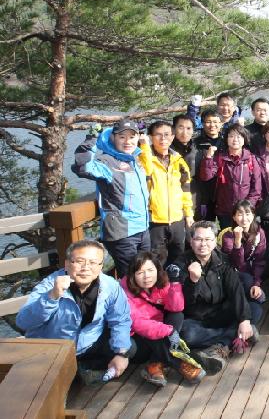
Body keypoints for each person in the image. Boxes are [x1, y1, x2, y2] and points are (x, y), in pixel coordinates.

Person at [17, 240, 134, 385]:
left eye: (93, 262)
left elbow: (120, 320)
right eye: (79, 261)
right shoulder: (50, 285)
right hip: (52, 351)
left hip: (87, 345)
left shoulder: (110, 286)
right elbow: (23, 322)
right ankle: (76, 373)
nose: (85, 268)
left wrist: (121, 354)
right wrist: (51, 297)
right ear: (67, 264)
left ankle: (80, 370)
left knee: (130, 347)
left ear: (101, 266)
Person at [175, 221, 255, 374]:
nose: (203, 244)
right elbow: (182, 303)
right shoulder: (180, 264)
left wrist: (244, 319)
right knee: (186, 335)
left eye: (208, 239)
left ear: (214, 241)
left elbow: (235, 289)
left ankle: (223, 343)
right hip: (196, 318)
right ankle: (232, 338)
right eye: (198, 239)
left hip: (220, 312)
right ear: (191, 241)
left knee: (254, 310)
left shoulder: (223, 260)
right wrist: (193, 281)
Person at [72, 118, 150, 275]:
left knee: (146, 273)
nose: (127, 141)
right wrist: (92, 138)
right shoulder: (107, 162)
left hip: (143, 228)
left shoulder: (134, 159)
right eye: (122, 137)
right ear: (113, 138)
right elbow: (82, 167)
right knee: (132, 278)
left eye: (132, 137)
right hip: (122, 233)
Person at [121, 252, 205, 386]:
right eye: (140, 272)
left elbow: (176, 307)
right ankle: (179, 363)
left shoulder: (162, 280)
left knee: (177, 315)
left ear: (157, 270)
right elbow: (138, 323)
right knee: (151, 333)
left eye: (150, 270)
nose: (147, 276)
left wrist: (175, 284)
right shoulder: (124, 291)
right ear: (132, 275)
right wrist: (169, 331)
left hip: (158, 328)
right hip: (137, 340)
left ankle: (155, 364)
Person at [140, 120, 193, 265]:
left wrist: (188, 214)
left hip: (177, 219)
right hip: (154, 220)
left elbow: (186, 189)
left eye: (167, 134)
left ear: (172, 137)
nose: (163, 138)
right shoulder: (144, 158)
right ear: (150, 137)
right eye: (158, 135)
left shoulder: (179, 161)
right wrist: (144, 147)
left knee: (178, 258)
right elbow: (146, 170)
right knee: (157, 260)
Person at [199, 123, 261, 229]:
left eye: (239, 136)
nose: (235, 139)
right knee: (227, 237)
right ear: (226, 139)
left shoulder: (251, 159)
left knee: (246, 237)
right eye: (231, 136)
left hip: (245, 213)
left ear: (244, 139)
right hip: (225, 211)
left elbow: (257, 188)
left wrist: (247, 207)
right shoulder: (220, 158)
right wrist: (208, 158)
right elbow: (206, 176)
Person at [219, 199, 269, 325]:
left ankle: (246, 322)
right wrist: (237, 241)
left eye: (247, 213)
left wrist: (257, 283)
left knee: (258, 300)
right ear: (234, 217)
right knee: (247, 282)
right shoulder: (228, 235)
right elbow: (237, 264)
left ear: (253, 215)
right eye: (240, 214)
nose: (244, 218)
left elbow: (260, 261)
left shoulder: (259, 233)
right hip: (233, 275)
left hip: (251, 276)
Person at [192, 109, 224, 221]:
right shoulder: (195, 143)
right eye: (208, 122)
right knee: (204, 225)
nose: (212, 125)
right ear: (202, 123)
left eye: (215, 122)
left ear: (221, 123)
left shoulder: (226, 142)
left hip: (222, 192)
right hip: (202, 193)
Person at [171, 114, 201, 223]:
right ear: (173, 129)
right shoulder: (166, 149)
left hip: (193, 199)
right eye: (181, 127)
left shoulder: (198, 150)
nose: (185, 132)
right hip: (171, 201)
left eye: (188, 128)